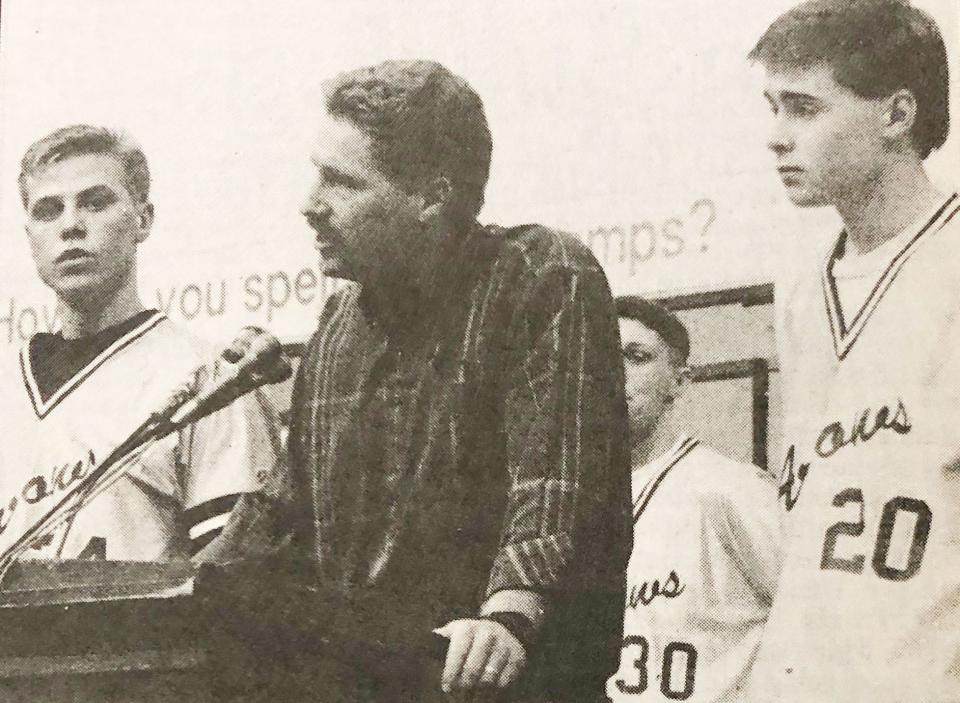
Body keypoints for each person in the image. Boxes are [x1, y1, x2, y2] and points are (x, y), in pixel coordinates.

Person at [263, 59, 630, 701]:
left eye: (341, 182)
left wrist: (511, 613)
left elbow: (559, 480)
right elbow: (290, 522)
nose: (309, 205)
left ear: (431, 197)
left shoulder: (540, 273)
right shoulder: (338, 323)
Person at [746, 1, 959, 700]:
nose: (777, 137)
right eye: (773, 107)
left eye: (804, 108)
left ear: (897, 115)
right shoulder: (802, 286)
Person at [0, 125, 281, 566]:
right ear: (30, 234)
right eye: (48, 210)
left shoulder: (209, 380)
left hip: (132, 636)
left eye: (96, 202)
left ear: (142, 219)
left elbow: (229, 587)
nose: (71, 225)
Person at [605, 297, 781, 703]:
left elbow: (811, 617)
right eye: (604, 355)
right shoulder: (575, 504)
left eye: (637, 357)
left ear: (679, 382)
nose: (616, 372)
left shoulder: (730, 487)